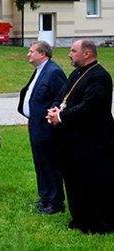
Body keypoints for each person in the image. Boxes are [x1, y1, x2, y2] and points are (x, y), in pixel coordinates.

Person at [46, 39, 114, 234]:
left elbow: (90, 107)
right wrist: (55, 109)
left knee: (92, 181)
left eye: (73, 51)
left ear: (87, 54)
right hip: (74, 139)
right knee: (75, 179)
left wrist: (61, 116)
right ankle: (79, 217)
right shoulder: (77, 73)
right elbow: (62, 95)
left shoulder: (99, 76)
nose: (69, 54)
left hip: (94, 140)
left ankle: (97, 223)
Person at [16, 41, 66, 215]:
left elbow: (61, 97)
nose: (28, 54)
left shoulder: (54, 72)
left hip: (47, 128)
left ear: (43, 54)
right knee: (40, 163)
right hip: (35, 126)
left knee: (50, 164)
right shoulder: (40, 70)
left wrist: (50, 113)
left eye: (31, 52)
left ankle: (55, 202)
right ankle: (45, 197)